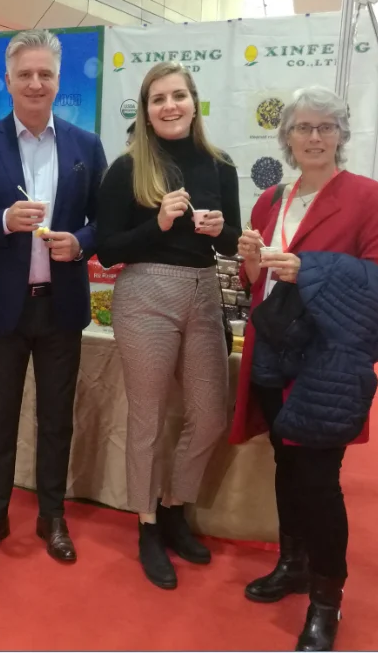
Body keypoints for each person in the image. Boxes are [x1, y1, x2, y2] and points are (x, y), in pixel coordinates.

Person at [231, 87, 378, 651]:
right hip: (272, 351)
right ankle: (294, 563)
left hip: (325, 360)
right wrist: (252, 264)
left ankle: (327, 601)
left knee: (319, 482)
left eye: (326, 127)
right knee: (286, 465)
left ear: (341, 135)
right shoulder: (269, 201)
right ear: (287, 137)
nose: (314, 137)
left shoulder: (365, 196)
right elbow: (256, 285)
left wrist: (312, 269)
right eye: (303, 127)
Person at [0, 29, 107, 564]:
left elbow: (105, 221)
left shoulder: (85, 146)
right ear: (8, 81)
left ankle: (52, 515)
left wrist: (80, 243)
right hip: (1, 307)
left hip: (61, 306)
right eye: (25, 74)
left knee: (57, 419)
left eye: (45, 74)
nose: (36, 83)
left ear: (58, 80)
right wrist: (2, 220)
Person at [96, 62, 240, 590]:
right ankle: (148, 524)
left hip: (203, 292)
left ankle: (175, 505)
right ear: (146, 110)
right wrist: (156, 224)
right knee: (148, 419)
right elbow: (107, 250)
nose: (169, 105)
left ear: (194, 102)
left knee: (209, 416)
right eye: (158, 99)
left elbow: (232, 243)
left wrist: (221, 230)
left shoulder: (220, 165)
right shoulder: (128, 168)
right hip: (145, 294)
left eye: (178, 95)